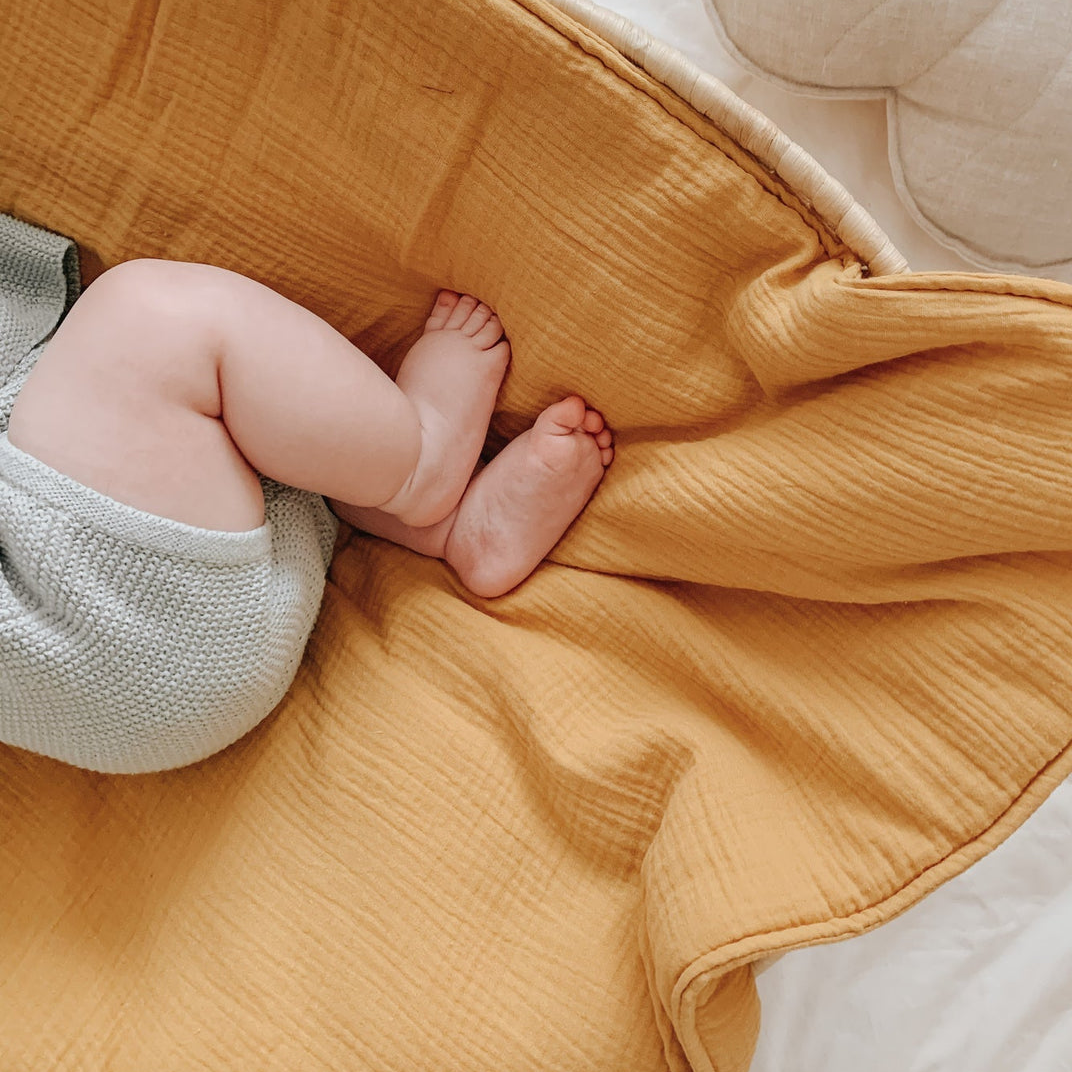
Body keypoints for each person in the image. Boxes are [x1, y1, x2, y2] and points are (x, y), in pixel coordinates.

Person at [0, 211, 613, 774]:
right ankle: (416, 466)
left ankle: (444, 528)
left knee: (213, 431)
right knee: (147, 320)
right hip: (108, 607)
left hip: (106, 714)